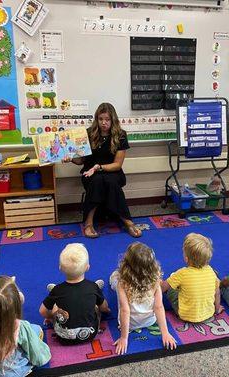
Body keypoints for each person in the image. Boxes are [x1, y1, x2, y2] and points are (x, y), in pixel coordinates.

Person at [65, 103, 141, 239]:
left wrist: (99, 167)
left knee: (109, 181)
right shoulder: (88, 134)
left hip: (113, 172)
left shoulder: (121, 135)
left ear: (113, 120)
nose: (104, 123)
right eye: (101, 119)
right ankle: (88, 223)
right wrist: (69, 158)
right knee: (97, 180)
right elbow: (81, 161)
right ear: (96, 119)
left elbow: (117, 165)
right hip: (90, 173)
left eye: (107, 119)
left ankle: (127, 221)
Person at [109, 242, 177, 355]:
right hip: (150, 321)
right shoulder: (155, 281)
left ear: (127, 265)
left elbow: (125, 310)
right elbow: (158, 307)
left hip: (130, 324)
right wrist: (165, 333)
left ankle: (113, 278)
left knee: (115, 278)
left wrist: (124, 338)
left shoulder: (123, 283)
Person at [39, 243, 110, 344]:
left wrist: (51, 317)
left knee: (56, 304)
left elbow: (42, 311)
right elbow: (104, 307)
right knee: (94, 304)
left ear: (60, 268)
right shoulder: (92, 287)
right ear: (87, 267)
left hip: (62, 337)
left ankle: (56, 298)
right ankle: (96, 293)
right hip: (90, 336)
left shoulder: (58, 290)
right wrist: (106, 310)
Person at [160, 233, 223, 323]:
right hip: (208, 315)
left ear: (186, 258)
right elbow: (217, 293)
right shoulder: (211, 271)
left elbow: (162, 288)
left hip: (185, 315)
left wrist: (160, 282)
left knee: (171, 289)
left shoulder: (182, 273)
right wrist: (217, 309)